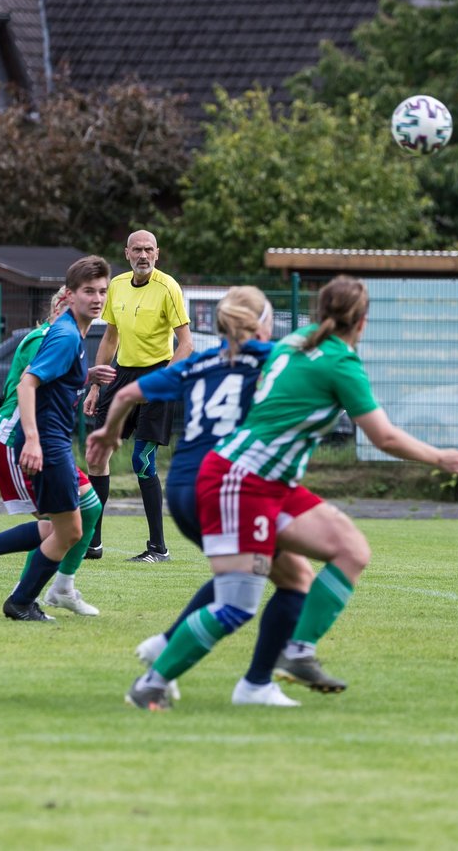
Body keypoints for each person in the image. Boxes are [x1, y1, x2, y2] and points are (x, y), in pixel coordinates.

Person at [124, 274, 458, 711]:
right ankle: (153, 683)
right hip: (241, 479)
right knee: (236, 603)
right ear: (363, 322)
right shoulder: (338, 362)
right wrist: (440, 458)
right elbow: (383, 438)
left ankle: (295, 653)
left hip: (270, 481)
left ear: (319, 313)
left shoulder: (301, 340)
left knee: (350, 550)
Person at [89, 286, 311, 707]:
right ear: (260, 323)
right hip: (227, 490)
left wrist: (106, 433)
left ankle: (177, 650)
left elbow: (127, 393)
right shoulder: (272, 356)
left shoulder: (200, 362)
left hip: (189, 488)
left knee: (280, 572)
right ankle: (174, 674)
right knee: (252, 590)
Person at [0, 283, 112, 616]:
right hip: (17, 441)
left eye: (101, 293)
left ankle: (58, 586)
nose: (95, 300)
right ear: (63, 304)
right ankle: (23, 594)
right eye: (85, 295)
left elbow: (52, 381)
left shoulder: (65, 337)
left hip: (42, 439)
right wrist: (33, 441)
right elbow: (30, 382)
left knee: (88, 509)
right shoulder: (49, 337)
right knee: (61, 527)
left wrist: (84, 375)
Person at [82, 229, 193, 563]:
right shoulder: (116, 285)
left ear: (157, 253)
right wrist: (96, 384)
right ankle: (93, 544)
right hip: (120, 375)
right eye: (137, 250)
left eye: (149, 250)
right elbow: (110, 337)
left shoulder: (168, 287)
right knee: (96, 456)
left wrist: (160, 382)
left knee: (141, 461)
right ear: (126, 253)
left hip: (157, 373)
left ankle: (158, 548)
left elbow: (185, 344)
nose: (143, 255)